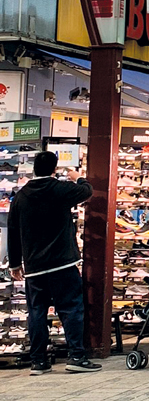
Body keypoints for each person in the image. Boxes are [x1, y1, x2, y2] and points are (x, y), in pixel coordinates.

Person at [8, 151, 101, 375]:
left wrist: (15, 264)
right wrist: (77, 177)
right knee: (70, 309)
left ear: (33, 169)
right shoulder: (60, 189)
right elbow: (87, 191)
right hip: (62, 263)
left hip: (34, 267)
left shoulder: (21, 196)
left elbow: (13, 231)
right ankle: (76, 356)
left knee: (37, 312)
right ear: (53, 169)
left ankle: (38, 362)